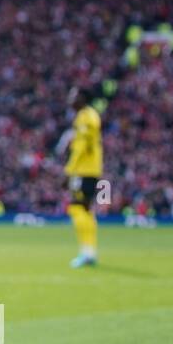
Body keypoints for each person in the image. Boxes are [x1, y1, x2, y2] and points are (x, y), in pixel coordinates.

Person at [59, 87, 102, 269]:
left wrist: (69, 171)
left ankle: (87, 252)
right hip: (92, 170)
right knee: (86, 211)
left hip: (83, 171)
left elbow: (82, 147)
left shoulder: (85, 117)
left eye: (74, 96)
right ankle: (89, 251)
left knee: (77, 210)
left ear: (83, 98)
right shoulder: (91, 116)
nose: (71, 99)